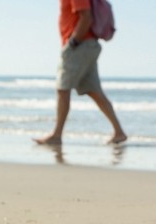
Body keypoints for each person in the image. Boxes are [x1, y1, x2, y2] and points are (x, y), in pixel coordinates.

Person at [35, 0, 126, 145]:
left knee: (62, 89)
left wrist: (73, 43)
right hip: (88, 46)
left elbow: (86, 17)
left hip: (79, 46)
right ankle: (119, 132)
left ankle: (56, 135)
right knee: (95, 92)